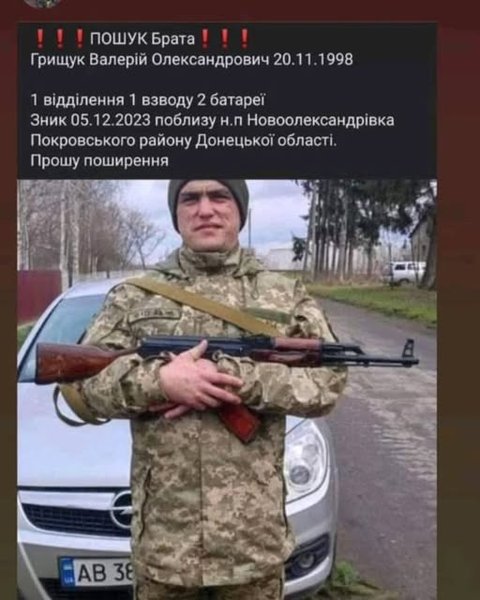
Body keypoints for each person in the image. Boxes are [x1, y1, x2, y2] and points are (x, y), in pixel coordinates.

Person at [62, 179, 348, 600]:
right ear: (176, 214)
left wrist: (238, 378)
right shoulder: (133, 297)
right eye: (190, 198)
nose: (205, 209)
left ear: (240, 210)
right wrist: (160, 382)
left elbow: (328, 383)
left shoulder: (285, 295)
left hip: (253, 543)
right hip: (165, 546)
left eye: (219, 196)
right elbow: (80, 388)